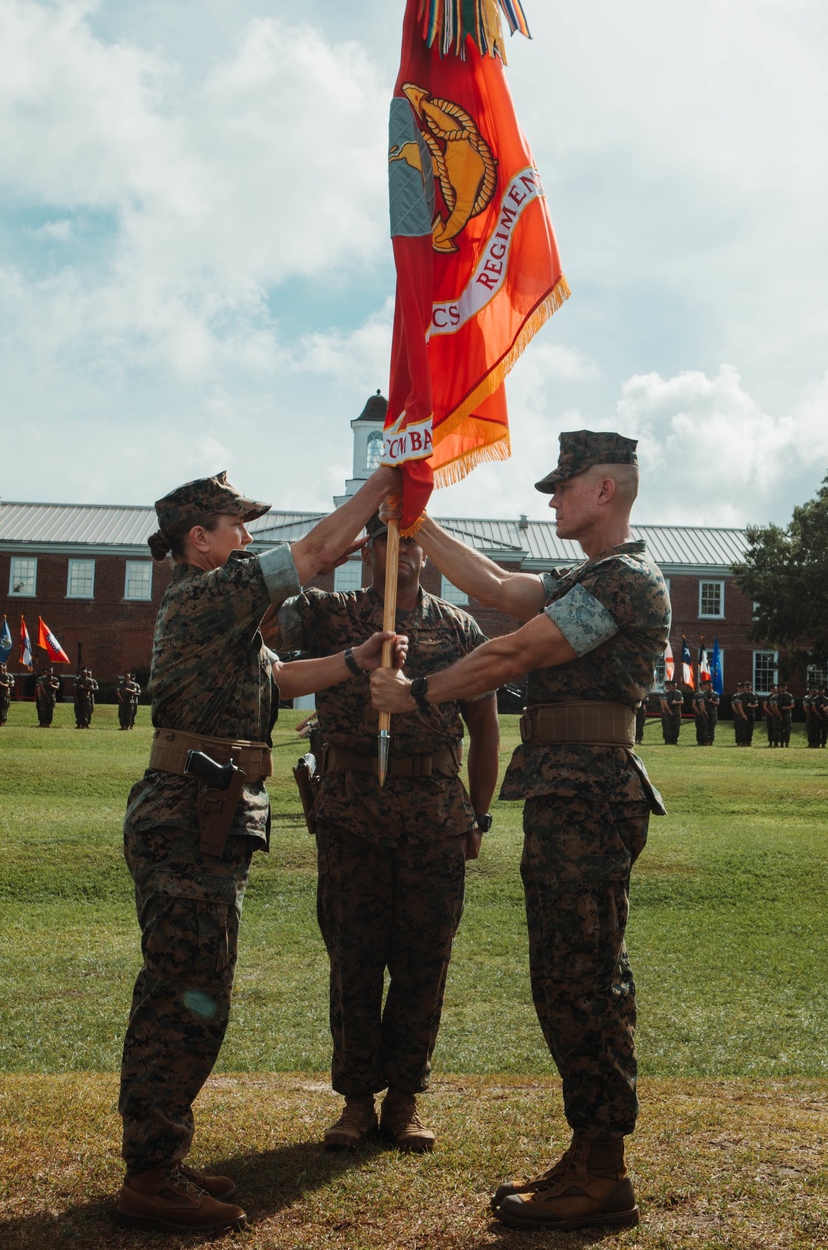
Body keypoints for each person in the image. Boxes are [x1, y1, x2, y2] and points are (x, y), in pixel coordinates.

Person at [372, 431, 670, 1233]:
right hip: (569, 789)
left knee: (582, 976)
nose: (551, 499)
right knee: (568, 972)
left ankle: (602, 1170)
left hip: (589, 793)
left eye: (563, 487)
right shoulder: (595, 576)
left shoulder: (628, 580)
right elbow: (501, 587)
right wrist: (420, 518)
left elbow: (516, 650)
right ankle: (590, 1150)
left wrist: (418, 693)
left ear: (603, 490)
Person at [116, 465, 400, 1234]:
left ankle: (161, 1155)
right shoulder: (208, 594)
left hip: (206, 815)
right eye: (235, 525)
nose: (248, 537)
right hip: (190, 815)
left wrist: (356, 660)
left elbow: (280, 679)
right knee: (184, 996)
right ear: (197, 540)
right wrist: (383, 484)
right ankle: (151, 1172)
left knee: (195, 989)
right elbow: (308, 558)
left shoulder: (225, 620)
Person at [270, 511, 500, 1153]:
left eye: (409, 538)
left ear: (425, 551)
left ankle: (404, 1099)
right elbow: (258, 615)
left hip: (433, 816)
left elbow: (486, 729)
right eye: (383, 537)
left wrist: (478, 817)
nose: (399, 549)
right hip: (351, 815)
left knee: (425, 960)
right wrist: (334, 543)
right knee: (353, 959)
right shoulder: (326, 613)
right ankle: (354, 1102)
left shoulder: (459, 627)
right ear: (365, 549)